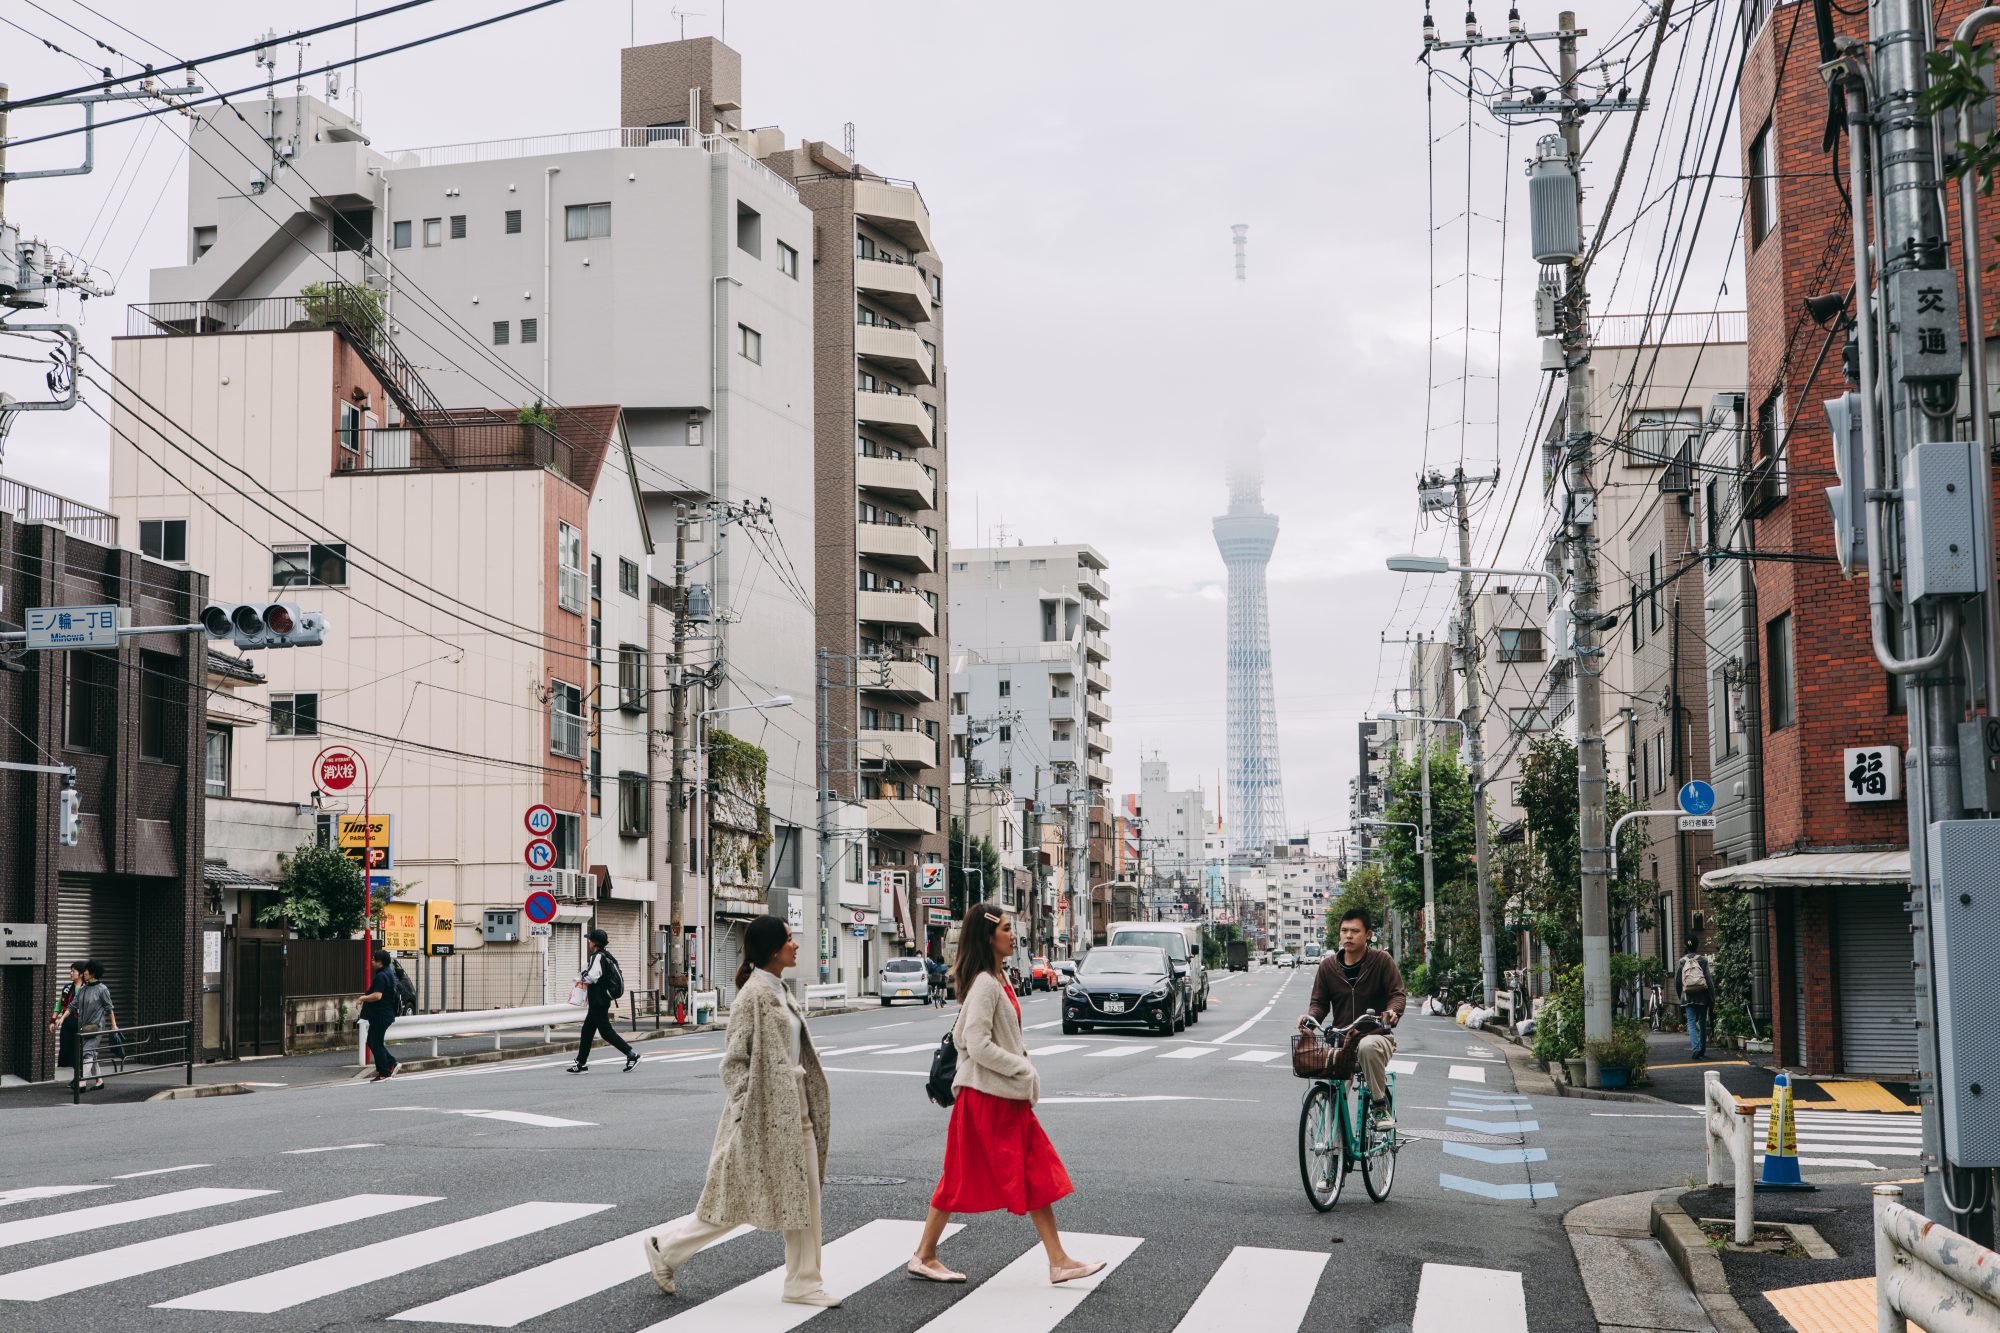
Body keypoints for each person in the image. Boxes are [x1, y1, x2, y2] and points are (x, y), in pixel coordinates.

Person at [641, 915, 840, 1309]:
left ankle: (803, 1281)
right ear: (771, 949)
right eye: (788, 939)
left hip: (796, 1114)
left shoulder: (780, 990)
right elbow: (733, 1063)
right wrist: (749, 1106)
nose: (795, 944)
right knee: (736, 1199)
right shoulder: (753, 996)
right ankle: (665, 1250)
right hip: (762, 1118)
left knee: (805, 1201)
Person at [907, 902, 1103, 1287]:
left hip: (1000, 1097)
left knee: (1033, 1172)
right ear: (988, 936)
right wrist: (1022, 1069)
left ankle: (1057, 1260)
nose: (1014, 935)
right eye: (1007, 929)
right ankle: (925, 1255)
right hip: (986, 1099)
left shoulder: (999, 978)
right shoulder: (984, 983)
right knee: (964, 1177)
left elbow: (963, 1036)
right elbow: (975, 1043)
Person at [1299, 907, 1406, 1130]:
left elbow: (1397, 994)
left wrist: (1392, 1012)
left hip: (1377, 1035)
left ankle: (1379, 1105)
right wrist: (1311, 1018)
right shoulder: (1328, 967)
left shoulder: (1382, 961)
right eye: (1344, 930)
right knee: (1336, 1093)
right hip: (1341, 1040)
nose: (1348, 935)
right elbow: (1319, 1003)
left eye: (1354, 931)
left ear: (1368, 934)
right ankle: (1334, 1149)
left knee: (1367, 1046)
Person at [569, 928, 640, 1073]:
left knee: (606, 1032)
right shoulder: (606, 956)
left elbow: (592, 976)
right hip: (601, 999)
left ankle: (632, 1055)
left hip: (599, 1001)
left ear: (594, 942)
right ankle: (581, 1063)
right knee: (587, 1031)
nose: (588, 942)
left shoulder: (598, 957)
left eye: (590, 940)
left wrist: (581, 976)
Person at [72, 960, 117, 1092]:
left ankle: (82, 1081)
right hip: (84, 1027)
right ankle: (99, 1081)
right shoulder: (84, 988)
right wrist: (61, 1018)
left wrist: (114, 1025)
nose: (84, 973)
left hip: (96, 1027)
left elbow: (109, 1008)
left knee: (87, 1053)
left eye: (86, 970)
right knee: (92, 1053)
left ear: (93, 973)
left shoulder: (102, 989)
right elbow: (74, 1004)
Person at [358, 948, 401, 1082]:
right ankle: (391, 1064)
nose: (371, 961)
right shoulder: (388, 972)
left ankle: (384, 1073)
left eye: (373, 959)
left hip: (380, 1014)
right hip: (385, 1013)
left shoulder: (381, 976)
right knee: (374, 1041)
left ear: (380, 962)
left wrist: (362, 998)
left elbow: (377, 996)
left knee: (374, 1042)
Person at [1676, 940, 1716, 1059]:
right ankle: (1702, 1048)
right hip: (1702, 996)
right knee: (1702, 1022)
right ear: (1697, 946)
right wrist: (1712, 997)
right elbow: (1708, 980)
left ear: (1685, 947)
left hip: (1687, 996)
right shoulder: (1703, 960)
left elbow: (1678, 981)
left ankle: (1696, 1048)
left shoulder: (1682, 961)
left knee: (1691, 1023)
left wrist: (1681, 996)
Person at [47, 961, 84, 1076]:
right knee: (68, 1051)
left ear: (81, 974)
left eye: (73, 971)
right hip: (68, 1024)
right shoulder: (67, 988)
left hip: (81, 1025)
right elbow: (59, 1005)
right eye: (70, 970)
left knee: (80, 1052)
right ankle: (77, 1077)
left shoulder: (87, 989)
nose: (71, 973)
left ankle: (80, 1078)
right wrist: (52, 1021)